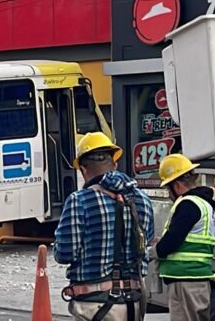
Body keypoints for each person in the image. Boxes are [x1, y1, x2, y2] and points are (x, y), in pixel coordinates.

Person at [55, 132, 155, 321]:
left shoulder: (79, 201)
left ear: (83, 169)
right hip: (133, 303)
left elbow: (65, 253)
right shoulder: (143, 199)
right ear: (114, 164)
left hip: (95, 304)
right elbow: (147, 242)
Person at [150, 154, 215, 321]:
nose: (168, 195)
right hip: (196, 279)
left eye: (168, 188)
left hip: (185, 280)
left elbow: (173, 240)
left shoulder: (188, 204)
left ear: (177, 185)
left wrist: (152, 251)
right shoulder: (204, 204)